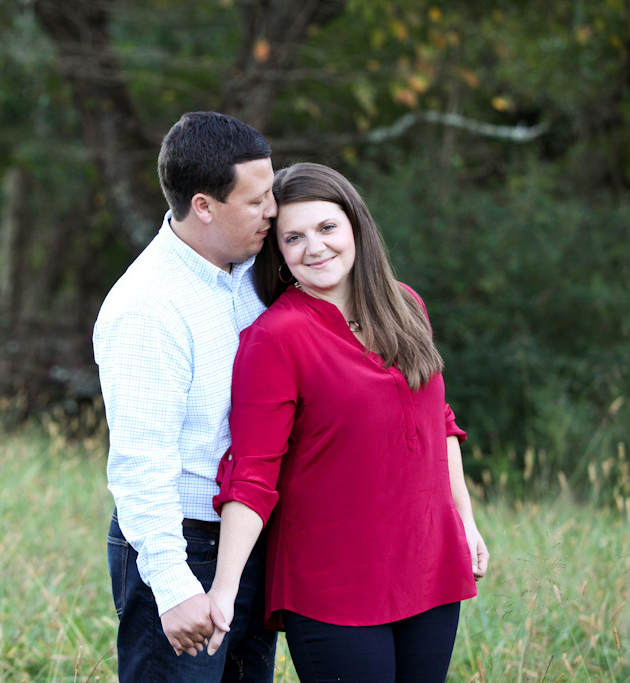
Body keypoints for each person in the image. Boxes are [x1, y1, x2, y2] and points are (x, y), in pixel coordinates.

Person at [205, 162, 489, 683]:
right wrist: (224, 588)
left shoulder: (405, 306)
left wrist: (464, 520)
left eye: (326, 228)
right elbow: (253, 471)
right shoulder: (275, 338)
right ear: (280, 252)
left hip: (429, 561)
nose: (314, 248)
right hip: (335, 582)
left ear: (355, 224)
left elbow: (438, 422)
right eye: (293, 237)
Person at [93, 112, 279, 682]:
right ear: (204, 205)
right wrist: (173, 587)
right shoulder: (148, 307)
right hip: (182, 547)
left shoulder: (256, 273)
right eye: (257, 200)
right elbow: (141, 462)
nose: (273, 210)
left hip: (248, 545)